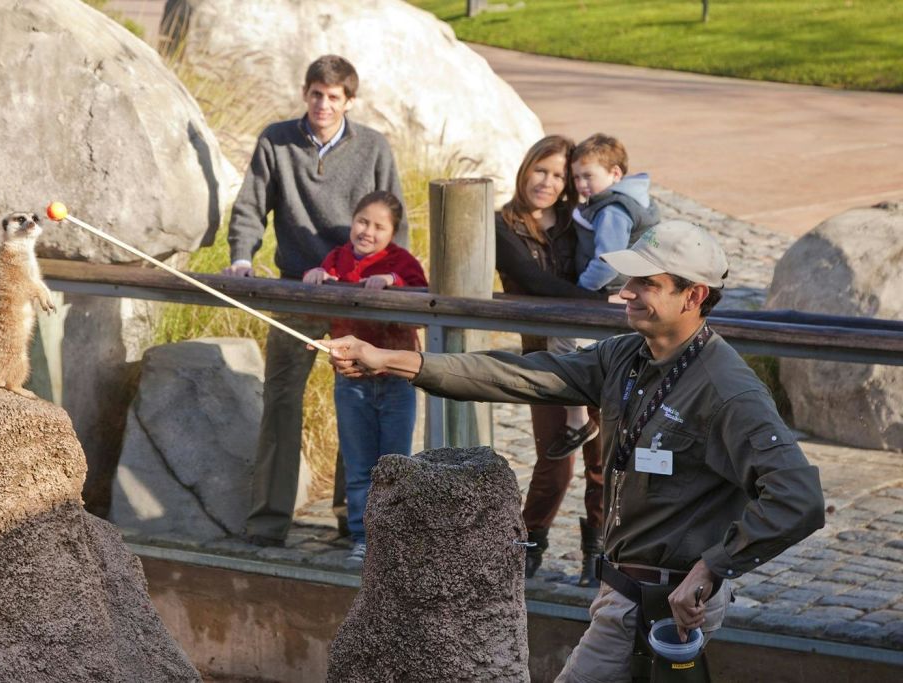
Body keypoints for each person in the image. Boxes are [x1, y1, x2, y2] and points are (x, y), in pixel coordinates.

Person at [326, 220, 825, 682]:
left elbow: (798, 498)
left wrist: (714, 565)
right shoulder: (627, 355)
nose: (625, 292)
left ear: (692, 295)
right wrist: (388, 359)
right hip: (625, 589)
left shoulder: (728, 391)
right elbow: (517, 375)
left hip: (662, 602)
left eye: (646, 284)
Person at [223, 54, 408, 546]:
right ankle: (268, 522)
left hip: (355, 294)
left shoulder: (372, 147)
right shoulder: (276, 140)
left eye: (333, 97)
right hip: (297, 287)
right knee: (281, 401)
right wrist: (242, 257)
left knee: (360, 400)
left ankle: (356, 521)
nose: (323, 105)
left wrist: (386, 276)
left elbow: (394, 218)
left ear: (349, 100)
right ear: (305, 94)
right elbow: (249, 205)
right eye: (315, 95)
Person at [495, 135, 609, 584]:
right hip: (544, 357)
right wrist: (593, 302)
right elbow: (531, 279)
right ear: (526, 169)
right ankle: (529, 544)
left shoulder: (575, 220)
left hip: (596, 351)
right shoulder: (503, 223)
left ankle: (597, 552)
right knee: (555, 461)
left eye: (559, 175)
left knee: (604, 463)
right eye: (541, 170)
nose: (547, 181)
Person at [303, 191, 427, 566]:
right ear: (352, 221)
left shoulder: (401, 262)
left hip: (394, 378)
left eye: (379, 226)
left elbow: (424, 300)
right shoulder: (337, 259)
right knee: (359, 465)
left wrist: (394, 282)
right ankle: (361, 536)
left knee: (394, 461)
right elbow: (319, 297)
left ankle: (393, 537)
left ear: (393, 232)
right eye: (362, 221)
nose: (367, 231)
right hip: (351, 378)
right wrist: (318, 277)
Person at [570, 133, 660, 293]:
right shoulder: (633, 198)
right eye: (576, 177)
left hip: (613, 289)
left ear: (615, 174)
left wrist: (582, 290)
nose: (581, 184)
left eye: (588, 176)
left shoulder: (612, 211)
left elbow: (608, 262)